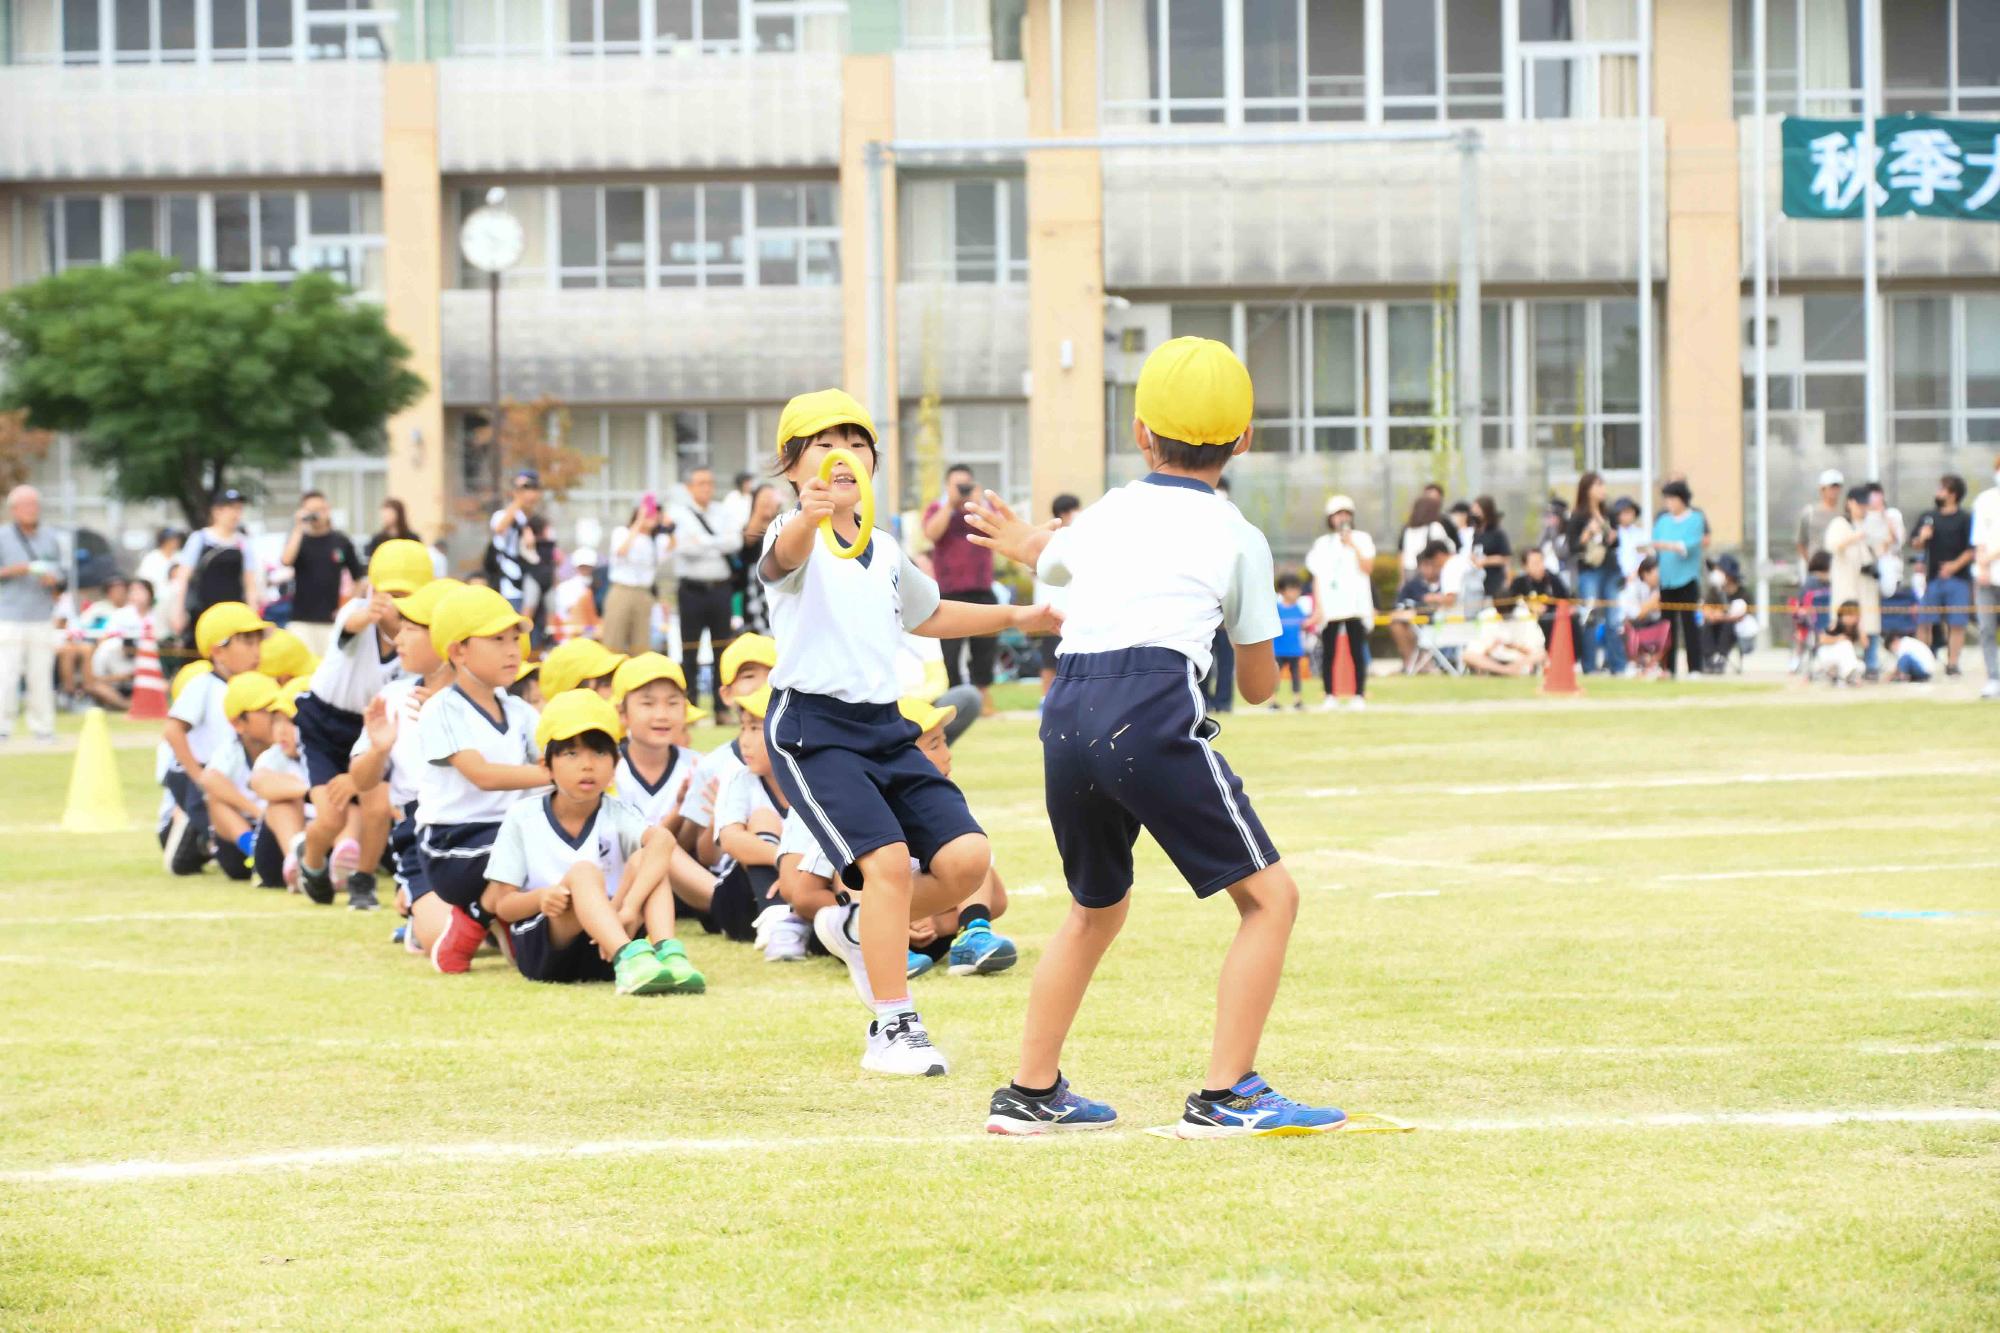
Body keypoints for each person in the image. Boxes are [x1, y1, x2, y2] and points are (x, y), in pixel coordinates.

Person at [965, 336, 1338, 1137]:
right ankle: (1227, 1092)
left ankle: (1030, 1091)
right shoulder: (1239, 535)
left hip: (1066, 710)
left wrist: (1026, 538)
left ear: (1140, 431)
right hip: (1148, 706)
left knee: (1092, 909)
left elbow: (1055, 559)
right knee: (1270, 898)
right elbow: (1260, 684)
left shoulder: (1106, 513)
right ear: (1244, 439)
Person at [760, 389, 1052, 1076]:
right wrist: (807, 515)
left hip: (886, 726)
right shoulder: (788, 532)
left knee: (967, 861)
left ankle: (863, 926)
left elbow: (926, 614)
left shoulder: (886, 549)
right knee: (886, 862)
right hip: (811, 728)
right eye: (825, 445)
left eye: (857, 444)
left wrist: (1019, 617)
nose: (844, 457)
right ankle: (891, 1026)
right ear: (793, 465)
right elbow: (780, 561)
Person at [776, 694, 1017, 975]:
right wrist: (869, 917)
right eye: (935, 745)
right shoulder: (852, 812)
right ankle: (870, 940)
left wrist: (938, 923)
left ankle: (974, 934)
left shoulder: (944, 813)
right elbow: (804, 895)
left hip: (935, 934)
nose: (948, 754)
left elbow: (997, 900)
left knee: (962, 840)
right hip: (873, 934)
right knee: (862, 859)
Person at [485, 689, 704, 994]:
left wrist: (628, 908)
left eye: (599, 752)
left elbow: (663, 841)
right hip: (548, 948)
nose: (587, 765)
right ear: (546, 766)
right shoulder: (523, 816)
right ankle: (628, 959)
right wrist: (541, 898)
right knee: (584, 872)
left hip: (614, 938)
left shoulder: (619, 813)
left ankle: (669, 953)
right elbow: (502, 906)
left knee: (648, 858)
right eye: (571, 753)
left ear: (615, 766)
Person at [412, 585, 546, 974]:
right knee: (527, 849)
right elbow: (481, 775)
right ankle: (479, 914)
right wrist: (551, 775)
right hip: (451, 844)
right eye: (497, 639)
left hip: (508, 836)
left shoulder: (519, 710)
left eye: (515, 638)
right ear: (458, 651)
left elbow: (550, 756)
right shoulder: (441, 708)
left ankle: (500, 914)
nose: (512, 650)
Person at [293, 539, 433, 911]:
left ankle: (363, 879)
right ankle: (311, 861)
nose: (397, 605)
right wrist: (369, 611)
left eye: (408, 595)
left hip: (374, 725)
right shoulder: (357, 614)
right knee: (330, 814)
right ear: (372, 590)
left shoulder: (421, 640)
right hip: (324, 720)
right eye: (390, 592)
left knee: (376, 805)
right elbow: (350, 623)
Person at [349, 578, 463, 937]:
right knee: (444, 937)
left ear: (447, 639)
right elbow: (362, 780)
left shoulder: (492, 700)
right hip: (420, 833)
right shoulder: (394, 696)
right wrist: (379, 749)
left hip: (485, 828)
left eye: (412, 629)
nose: (398, 638)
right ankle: (424, 904)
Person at [161, 602, 271, 874]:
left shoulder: (257, 685)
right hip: (209, 778)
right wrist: (197, 774)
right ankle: (197, 832)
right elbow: (173, 730)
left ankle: (221, 843)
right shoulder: (204, 685)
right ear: (218, 651)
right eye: (247, 643)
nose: (256, 652)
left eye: (258, 643)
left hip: (241, 777)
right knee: (212, 802)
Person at [197, 671, 303, 887]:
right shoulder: (232, 750)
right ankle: (250, 846)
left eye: (278, 711)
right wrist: (256, 812)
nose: (274, 718)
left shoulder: (286, 750)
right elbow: (209, 778)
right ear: (239, 723)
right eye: (265, 711)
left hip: (281, 831)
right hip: (242, 839)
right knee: (215, 800)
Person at [922, 462, 999, 715]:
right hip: (949, 591)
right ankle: (956, 699)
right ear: (947, 486)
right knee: (950, 650)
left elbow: (998, 530)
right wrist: (949, 505)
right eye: (957, 485)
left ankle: (983, 698)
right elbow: (931, 533)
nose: (962, 489)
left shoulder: (982, 509)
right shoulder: (937, 508)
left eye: (966, 484)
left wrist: (978, 504)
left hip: (981, 588)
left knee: (985, 647)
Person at [669, 466, 741, 720]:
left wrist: (705, 542)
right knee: (689, 649)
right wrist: (716, 542)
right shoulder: (678, 514)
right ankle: (691, 706)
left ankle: (722, 707)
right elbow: (684, 548)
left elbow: (735, 542)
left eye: (710, 483)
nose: (706, 488)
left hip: (720, 588)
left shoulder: (723, 512)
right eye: (700, 483)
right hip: (691, 589)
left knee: (722, 648)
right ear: (689, 487)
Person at [609, 653, 705, 830]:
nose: (662, 715)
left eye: (672, 702)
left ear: (684, 710)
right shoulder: (609, 769)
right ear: (622, 713)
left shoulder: (698, 767)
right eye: (648, 703)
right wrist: (679, 810)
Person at [0, 484, 64, 742]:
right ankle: (3, 726)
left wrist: (52, 579)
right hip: (8, 615)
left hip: (41, 615)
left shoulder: (50, 537)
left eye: (35, 504)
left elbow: (60, 573)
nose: (32, 510)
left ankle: (43, 727)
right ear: (14, 510)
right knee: (6, 674)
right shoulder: (3, 536)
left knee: (41, 674)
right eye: (26, 505)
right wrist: (18, 570)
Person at [1304, 494, 1375, 711]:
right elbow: (1317, 577)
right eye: (1337, 514)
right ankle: (1329, 695)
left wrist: (1352, 544)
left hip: (1355, 605)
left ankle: (1359, 694)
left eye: (1345, 514)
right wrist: (1319, 607)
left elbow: (1367, 568)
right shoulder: (1322, 544)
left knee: (1356, 650)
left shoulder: (1362, 539)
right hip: (1331, 606)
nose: (1342, 518)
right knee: (1329, 652)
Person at [280, 490, 364, 658]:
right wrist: (298, 527)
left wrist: (347, 608)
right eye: (311, 509)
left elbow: (359, 578)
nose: (317, 513)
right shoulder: (299, 540)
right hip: (301, 619)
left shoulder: (340, 541)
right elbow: (286, 560)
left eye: (320, 509)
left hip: (330, 620)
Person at [174, 487, 259, 638]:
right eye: (231, 509)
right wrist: (178, 610)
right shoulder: (200, 538)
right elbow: (182, 578)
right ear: (217, 511)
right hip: (203, 611)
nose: (236, 514)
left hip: (233, 613)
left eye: (239, 509)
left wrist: (253, 615)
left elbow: (250, 583)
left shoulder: (243, 543)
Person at [1912, 475, 1975, 676]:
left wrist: (1954, 566)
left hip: (1959, 579)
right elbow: (1914, 544)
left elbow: (1971, 549)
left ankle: (1953, 663)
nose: (1938, 492)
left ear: (1953, 494)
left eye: (1942, 489)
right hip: (1933, 579)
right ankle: (1923, 660)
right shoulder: (1928, 517)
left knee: (1957, 622)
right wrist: (1922, 538)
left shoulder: (1965, 518)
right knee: (1925, 620)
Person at [1824, 485, 1885, 680]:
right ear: (1850, 503)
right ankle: (1844, 666)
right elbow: (1833, 545)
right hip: (1846, 586)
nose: (1863, 509)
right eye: (1860, 505)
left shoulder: (1870, 524)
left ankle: (1871, 664)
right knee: (1844, 625)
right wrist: (1855, 537)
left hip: (1866, 585)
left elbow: (1882, 548)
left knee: (1870, 624)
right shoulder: (1840, 523)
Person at [1566, 473, 1624, 674]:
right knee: (1589, 618)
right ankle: (1589, 666)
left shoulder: (1609, 513)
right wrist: (1586, 534)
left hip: (1610, 570)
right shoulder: (1577, 516)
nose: (1602, 489)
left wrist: (1611, 534)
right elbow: (1571, 548)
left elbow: (1616, 543)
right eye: (1598, 485)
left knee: (1613, 619)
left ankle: (1618, 666)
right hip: (1589, 571)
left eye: (1603, 485)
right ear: (1587, 488)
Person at [1651, 479, 1708, 678]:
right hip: (1666, 580)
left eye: (1672, 499)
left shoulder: (1696, 519)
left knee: (1689, 625)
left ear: (1682, 499)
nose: (1669, 503)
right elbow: (1655, 544)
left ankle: (1695, 667)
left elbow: (1692, 544)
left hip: (1687, 579)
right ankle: (1668, 667)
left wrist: (1671, 545)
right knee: (1666, 627)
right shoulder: (1662, 521)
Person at [604, 497, 672, 657]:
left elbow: (671, 547)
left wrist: (670, 527)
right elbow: (621, 551)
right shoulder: (622, 532)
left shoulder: (656, 540)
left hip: (644, 592)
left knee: (641, 645)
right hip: (622, 590)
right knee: (613, 641)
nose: (652, 517)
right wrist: (639, 522)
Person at [1032, 494, 1082, 697]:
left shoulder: (1076, 536)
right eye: (1073, 511)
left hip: (1070, 611)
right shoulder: (1054, 539)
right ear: (1062, 514)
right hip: (1051, 608)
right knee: (1049, 662)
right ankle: (1046, 699)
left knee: (1069, 659)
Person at [1389, 539, 1453, 673]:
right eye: (1424, 565)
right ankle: (1412, 664)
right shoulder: (1412, 585)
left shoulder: (1447, 581)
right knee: (1397, 624)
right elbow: (1398, 607)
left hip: (1442, 624)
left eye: (1431, 565)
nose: (1428, 569)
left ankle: (1424, 664)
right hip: (1416, 628)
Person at [1501, 546, 1573, 652]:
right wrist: (1528, 606)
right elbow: (1508, 604)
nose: (1539, 566)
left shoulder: (1552, 579)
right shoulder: (1519, 582)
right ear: (1525, 566)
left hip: (1553, 623)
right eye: (1535, 563)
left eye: (1541, 561)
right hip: (1527, 626)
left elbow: (1566, 600)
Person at [737, 483, 784, 636]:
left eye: (771, 497)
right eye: (764, 498)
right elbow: (747, 542)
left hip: (779, 586)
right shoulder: (749, 526)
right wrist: (760, 511)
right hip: (754, 589)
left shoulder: (785, 525)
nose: (768, 502)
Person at [1974, 455, 2000, 699]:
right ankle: (1994, 678)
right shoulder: (1985, 500)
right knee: (1986, 629)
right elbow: (1979, 536)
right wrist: (1982, 565)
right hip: (1987, 578)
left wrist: (1990, 557)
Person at [1620, 555, 1669, 676]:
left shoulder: (1660, 588)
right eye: (1657, 572)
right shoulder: (1633, 587)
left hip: (1652, 625)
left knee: (1667, 627)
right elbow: (1636, 614)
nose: (1660, 575)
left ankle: (1654, 665)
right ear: (1646, 573)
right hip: (1634, 626)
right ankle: (1633, 664)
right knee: (1628, 628)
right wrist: (1654, 601)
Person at [1464, 607, 1545, 677]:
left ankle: (1509, 670)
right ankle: (1505, 671)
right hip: (1493, 662)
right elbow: (1477, 651)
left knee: (1541, 654)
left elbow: (1536, 651)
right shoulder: (1486, 615)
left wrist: (1516, 647)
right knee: (1468, 655)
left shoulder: (1525, 616)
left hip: (1518, 660)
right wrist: (1492, 647)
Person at [546, 547, 601, 644]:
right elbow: (570, 612)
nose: (585, 569)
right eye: (582, 566)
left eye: (588, 566)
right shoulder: (565, 587)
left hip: (593, 636)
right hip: (571, 636)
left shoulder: (599, 585)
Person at [1270, 574, 1308, 710]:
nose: (1295, 593)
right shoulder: (1276, 608)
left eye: (1297, 589)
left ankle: (1297, 700)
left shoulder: (1298, 608)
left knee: (1296, 676)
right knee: (1275, 676)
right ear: (1282, 591)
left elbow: (1305, 623)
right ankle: (1272, 701)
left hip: (1294, 650)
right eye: (1292, 589)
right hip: (1278, 650)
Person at [1796, 468, 1844, 576]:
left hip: (1839, 571)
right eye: (1831, 487)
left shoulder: (1845, 514)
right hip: (1815, 572)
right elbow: (1801, 543)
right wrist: (1811, 565)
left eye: (1837, 487)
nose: (1834, 491)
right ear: (1822, 489)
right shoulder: (1809, 513)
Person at [1398, 493, 1453, 575]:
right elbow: (1448, 548)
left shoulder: (1408, 529)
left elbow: (1402, 554)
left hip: (1409, 570)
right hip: (1427, 571)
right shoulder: (1435, 527)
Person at [1815, 601, 1867, 685]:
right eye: (1849, 615)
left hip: (1843, 661)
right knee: (1845, 644)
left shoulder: (1856, 628)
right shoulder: (1836, 624)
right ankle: (1847, 677)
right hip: (1827, 656)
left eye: (1855, 615)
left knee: (1861, 666)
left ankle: (1844, 678)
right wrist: (1839, 638)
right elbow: (1822, 640)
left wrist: (1860, 625)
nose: (1852, 618)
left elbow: (1865, 645)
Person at [1470, 495, 1511, 598]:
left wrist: (1486, 560)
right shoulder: (1477, 532)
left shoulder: (1498, 533)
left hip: (1494, 580)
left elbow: (1506, 558)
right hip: (1478, 581)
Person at [135, 528, 182, 602]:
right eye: (172, 539)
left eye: (176, 539)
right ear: (164, 541)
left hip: (177, 600)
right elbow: (145, 581)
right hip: (156, 600)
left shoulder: (181, 557)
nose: (175, 542)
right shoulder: (152, 558)